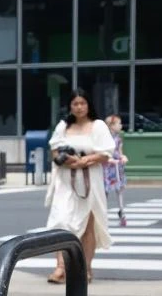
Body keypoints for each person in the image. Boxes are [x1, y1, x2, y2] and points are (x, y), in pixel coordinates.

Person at [42, 90, 114, 284]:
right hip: (66, 179)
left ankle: (86, 267)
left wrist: (85, 160)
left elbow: (106, 153)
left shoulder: (98, 126)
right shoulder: (63, 126)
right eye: (75, 103)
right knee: (62, 221)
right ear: (70, 106)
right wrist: (65, 160)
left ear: (88, 104)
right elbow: (54, 150)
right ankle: (60, 267)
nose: (79, 107)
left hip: (90, 179)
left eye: (82, 103)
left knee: (88, 225)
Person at [102, 114, 129, 226]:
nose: (121, 125)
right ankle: (102, 213)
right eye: (119, 123)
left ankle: (121, 211)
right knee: (105, 191)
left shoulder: (118, 138)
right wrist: (110, 159)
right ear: (112, 125)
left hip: (117, 167)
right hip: (108, 167)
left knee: (119, 189)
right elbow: (102, 153)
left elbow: (120, 151)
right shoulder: (104, 138)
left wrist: (123, 157)